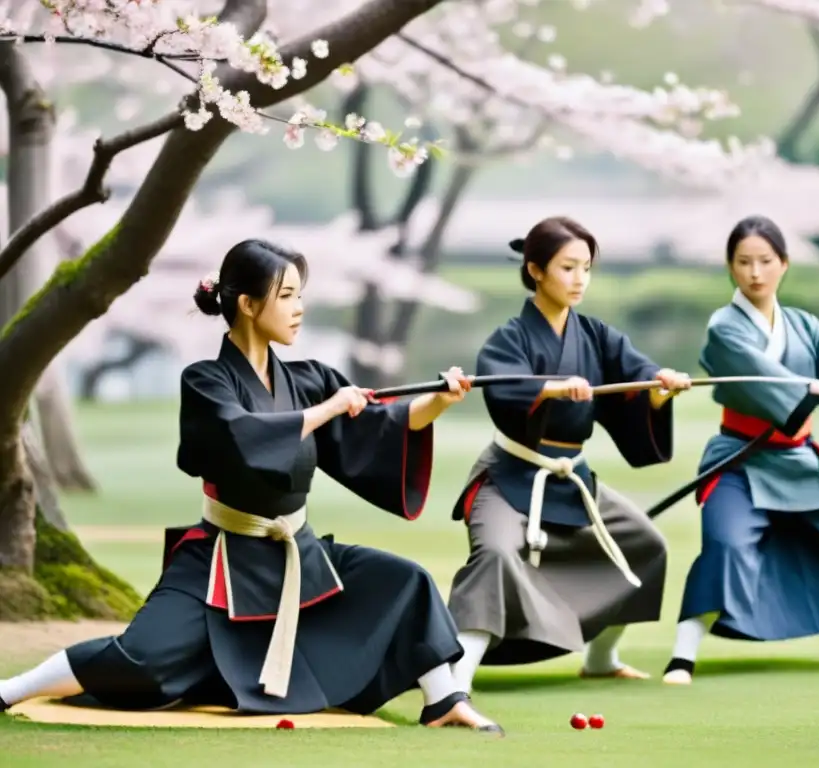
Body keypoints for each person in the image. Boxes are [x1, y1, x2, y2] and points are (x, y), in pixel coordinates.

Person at [0, 239, 504, 735]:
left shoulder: (306, 380)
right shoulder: (205, 382)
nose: (299, 308)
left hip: (296, 556)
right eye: (286, 296)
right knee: (143, 660)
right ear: (247, 304)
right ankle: (14, 685)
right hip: (219, 559)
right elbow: (240, 436)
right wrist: (327, 409)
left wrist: (440, 400)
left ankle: (444, 700)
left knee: (405, 580)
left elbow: (377, 424)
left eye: (299, 295)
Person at [662, 215, 819, 686]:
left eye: (765, 261)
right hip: (738, 460)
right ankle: (681, 660)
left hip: (799, 462)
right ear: (730, 267)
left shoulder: (804, 324)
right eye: (743, 262)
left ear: (783, 264)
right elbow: (764, 378)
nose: (754, 273)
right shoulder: (724, 327)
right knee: (725, 546)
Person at [445, 216, 692, 693]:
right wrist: (553, 389)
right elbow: (508, 390)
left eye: (586, 268)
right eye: (567, 268)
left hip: (571, 476)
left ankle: (601, 657)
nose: (579, 279)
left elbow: (637, 375)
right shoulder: (510, 338)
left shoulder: (596, 335)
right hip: (511, 475)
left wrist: (661, 389)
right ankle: (455, 682)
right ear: (536, 270)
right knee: (495, 553)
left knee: (645, 547)